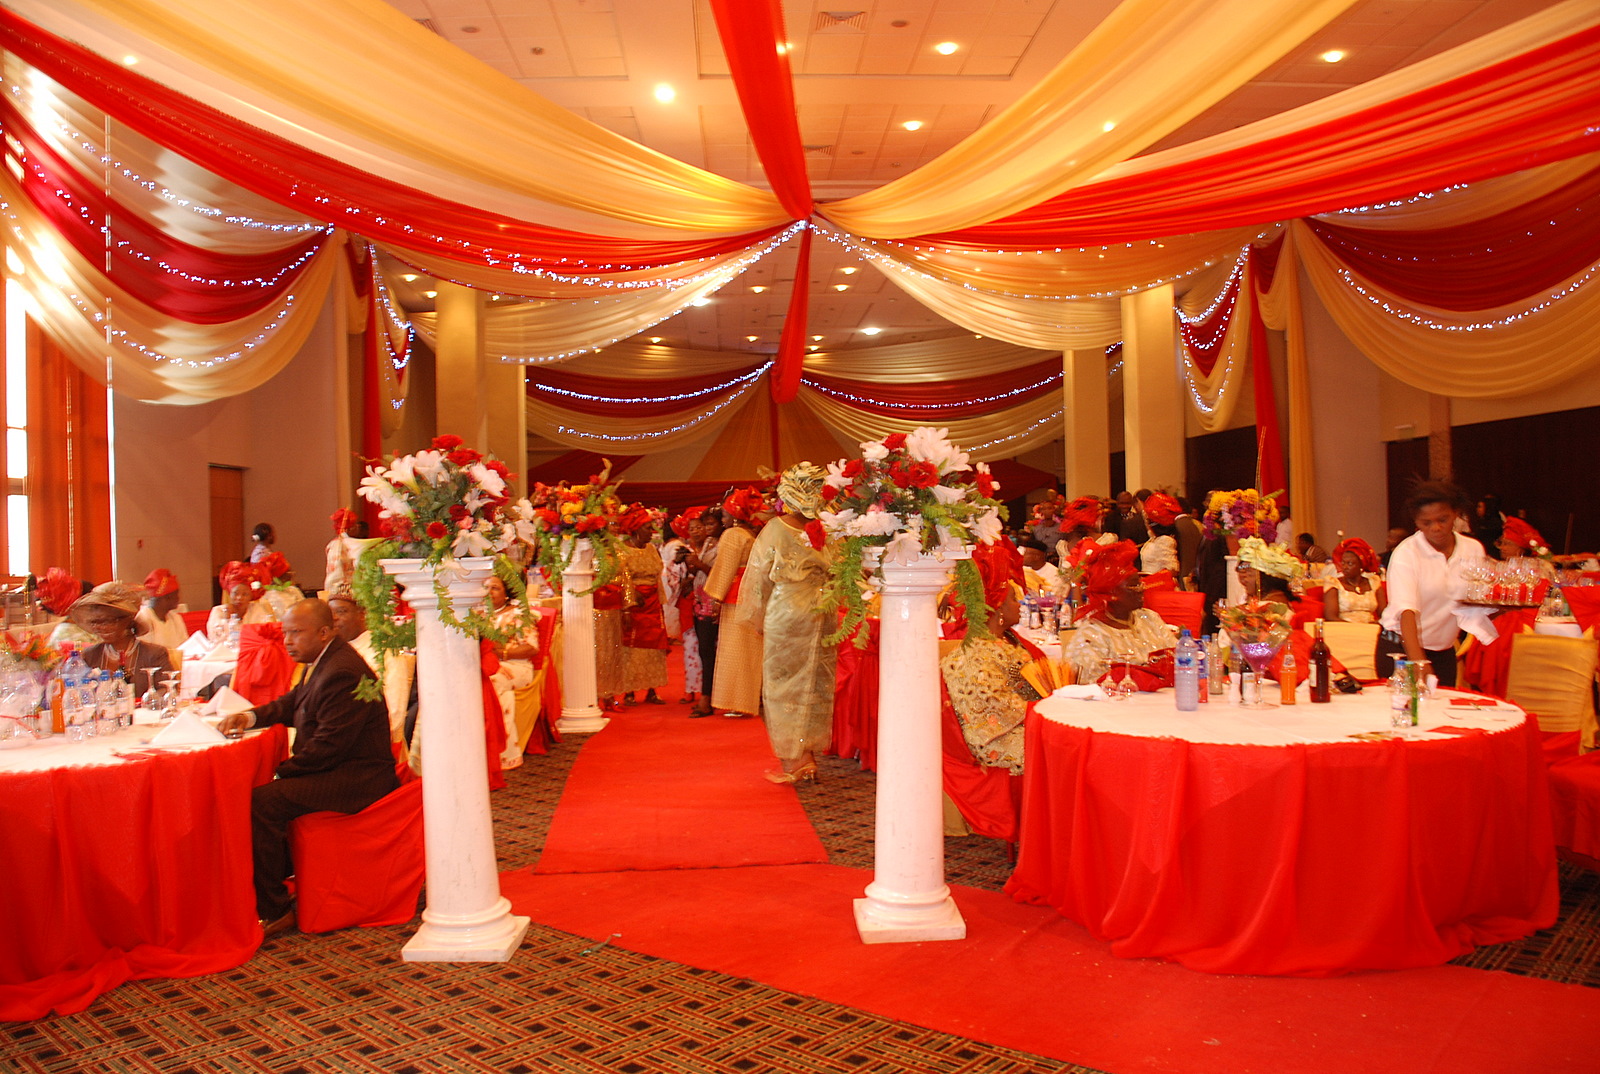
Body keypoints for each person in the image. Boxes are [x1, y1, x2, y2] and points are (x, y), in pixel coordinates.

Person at [219, 600, 399, 937]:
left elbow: (329, 747)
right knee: (267, 796)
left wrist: (281, 772)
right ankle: (276, 877)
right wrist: (250, 716)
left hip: (357, 778)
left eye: (296, 633)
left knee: (263, 802)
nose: (287, 641)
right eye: (285, 633)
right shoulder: (324, 659)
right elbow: (293, 704)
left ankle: (274, 909)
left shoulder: (342, 671)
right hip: (339, 765)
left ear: (324, 632)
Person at [738, 462, 835, 783]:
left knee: (784, 684)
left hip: (787, 611)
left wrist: (757, 616)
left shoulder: (776, 528)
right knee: (816, 681)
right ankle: (807, 753)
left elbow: (758, 578)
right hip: (823, 610)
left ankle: (794, 758)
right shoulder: (831, 527)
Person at [1377, 481, 1495, 686]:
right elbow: (1406, 612)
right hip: (1401, 648)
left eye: (1443, 519)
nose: (1436, 528)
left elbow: (1478, 599)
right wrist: (1418, 661)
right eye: (1426, 523)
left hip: (1443, 649)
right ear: (1416, 522)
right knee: (1406, 705)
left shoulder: (1472, 549)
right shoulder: (1407, 553)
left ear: (1455, 514)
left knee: (1443, 705)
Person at [940, 539, 1039, 774]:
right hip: (997, 740)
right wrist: (1045, 712)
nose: (1020, 605)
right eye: (1013, 599)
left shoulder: (1009, 641)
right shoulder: (976, 655)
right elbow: (996, 709)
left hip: (1024, 725)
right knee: (1067, 749)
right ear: (998, 608)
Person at [1061, 538, 1175, 687]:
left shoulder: (1149, 618)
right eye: (1133, 586)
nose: (1142, 589)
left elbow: (1178, 658)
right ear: (1111, 594)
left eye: (1140, 583)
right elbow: (1087, 687)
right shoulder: (1092, 635)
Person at [707, 487, 774, 719]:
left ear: (734, 515)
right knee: (752, 650)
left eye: (725, 514)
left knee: (735, 650)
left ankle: (739, 702)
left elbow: (725, 568)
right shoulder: (752, 535)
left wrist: (716, 596)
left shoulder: (733, 535)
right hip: (752, 598)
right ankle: (753, 698)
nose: (722, 518)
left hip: (736, 598)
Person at [68, 581, 175, 700]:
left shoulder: (154, 654)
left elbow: (168, 690)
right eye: (96, 622)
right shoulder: (89, 656)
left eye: (109, 621)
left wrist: (147, 701)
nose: (102, 627)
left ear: (128, 620)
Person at [617, 505, 670, 705]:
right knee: (631, 648)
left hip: (653, 603)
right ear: (635, 529)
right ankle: (629, 691)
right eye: (648, 528)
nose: (652, 532)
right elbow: (621, 578)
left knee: (655, 647)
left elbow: (657, 576)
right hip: (633, 604)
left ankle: (652, 690)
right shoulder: (622, 550)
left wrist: (661, 602)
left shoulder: (651, 549)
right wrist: (629, 600)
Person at [685, 507, 722, 715]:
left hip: (713, 602)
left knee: (708, 651)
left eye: (711, 524)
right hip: (699, 600)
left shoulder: (724, 544)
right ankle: (709, 696)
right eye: (705, 524)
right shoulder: (708, 542)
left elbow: (720, 574)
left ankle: (707, 699)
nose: (707, 528)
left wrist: (699, 564)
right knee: (704, 650)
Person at [1323, 538, 1386, 624]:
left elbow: (1384, 615)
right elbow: (1330, 616)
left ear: (1361, 565)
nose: (1345, 567)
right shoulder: (1334, 583)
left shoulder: (1374, 583)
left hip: (1371, 627)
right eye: (1343, 563)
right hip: (1344, 628)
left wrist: (1376, 624)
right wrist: (1355, 628)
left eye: (1350, 563)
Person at [207, 562, 272, 642]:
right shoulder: (218, 611)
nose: (239, 598)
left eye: (245, 594)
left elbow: (265, 634)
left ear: (251, 596)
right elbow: (215, 638)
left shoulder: (257, 609)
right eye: (235, 593)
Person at [135, 568, 188, 649]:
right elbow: (145, 653)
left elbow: (186, 647)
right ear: (166, 598)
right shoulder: (144, 620)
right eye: (176, 594)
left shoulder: (176, 619)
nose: (179, 598)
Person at [323, 508, 366, 594]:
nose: (357, 527)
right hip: (342, 591)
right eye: (354, 524)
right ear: (348, 529)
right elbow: (336, 573)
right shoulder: (338, 545)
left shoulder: (349, 543)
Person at [1138, 492, 1180, 576]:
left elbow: (1172, 570)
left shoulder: (1165, 540)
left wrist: (1154, 578)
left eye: (1147, 519)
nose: (1146, 521)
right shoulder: (1154, 538)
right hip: (1147, 581)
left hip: (1158, 582)